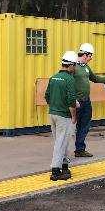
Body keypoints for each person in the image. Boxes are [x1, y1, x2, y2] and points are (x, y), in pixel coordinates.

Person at [74, 43, 105, 157]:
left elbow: (95, 78)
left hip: (86, 101)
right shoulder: (73, 66)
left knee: (84, 125)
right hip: (77, 102)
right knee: (73, 126)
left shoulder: (86, 67)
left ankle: (80, 149)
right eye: (90, 56)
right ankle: (65, 154)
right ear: (85, 55)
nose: (91, 58)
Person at [45, 51, 78, 181]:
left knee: (60, 141)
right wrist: (74, 115)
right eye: (74, 65)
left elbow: (47, 96)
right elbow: (71, 100)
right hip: (64, 116)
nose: (75, 68)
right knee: (61, 142)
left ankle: (64, 165)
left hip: (52, 113)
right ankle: (55, 170)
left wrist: (55, 105)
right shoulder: (69, 79)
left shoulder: (53, 77)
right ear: (70, 65)